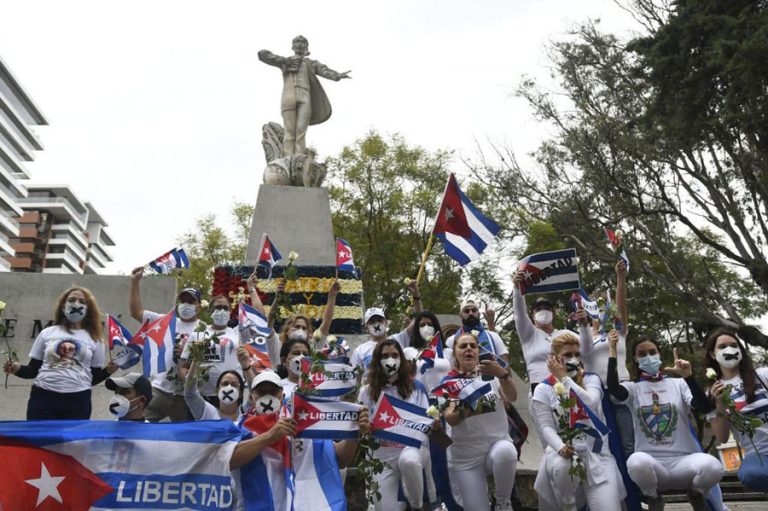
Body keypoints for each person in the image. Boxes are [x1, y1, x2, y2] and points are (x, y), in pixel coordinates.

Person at [607, 333, 725, 511]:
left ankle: (696, 493)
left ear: (660, 354)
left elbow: (704, 407)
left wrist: (688, 376)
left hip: (685, 461)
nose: (648, 357)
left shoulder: (679, 384)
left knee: (713, 467)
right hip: (653, 466)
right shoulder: (632, 389)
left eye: (652, 352)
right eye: (642, 354)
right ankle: (653, 497)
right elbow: (614, 388)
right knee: (635, 461)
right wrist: (612, 351)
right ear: (635, 359)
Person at [244, 370, 370, 510]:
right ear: (251, 398)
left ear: (282, 396)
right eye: (261, 392)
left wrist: (355, 432)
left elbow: (340, 459)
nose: (267, 397)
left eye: (273, 392)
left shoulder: (304, 423)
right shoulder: (243, 430)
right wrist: (270, 436)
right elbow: (231, 460)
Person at [532, 333, 624, 510]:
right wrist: (560, 447)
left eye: (577, 354)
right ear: (554, 357)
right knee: (564, 465)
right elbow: (546, 427)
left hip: (597, 455)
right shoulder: (543, 389)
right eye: (567, 355)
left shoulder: (591, 379)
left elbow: (590, 402)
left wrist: (565, 379)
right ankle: (569, 502)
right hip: (564, 455)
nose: (574, 359)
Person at [4, 287, 116, 419]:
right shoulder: (47, 333)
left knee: (71, 440)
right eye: (72, 300)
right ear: (63, 306)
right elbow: (33, 370)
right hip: (43, 397)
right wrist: (17, 369)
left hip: (78, 401)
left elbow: (92, 378)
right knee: (38, 438)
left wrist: (108, 371)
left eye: (82, 302)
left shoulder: (95, 339)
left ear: (88, 308)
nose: (76, 304)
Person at [443, 332, 518, 511]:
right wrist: (470, 406)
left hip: (496, 446)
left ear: (478, 351)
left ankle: (502, 502)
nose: (468, 349)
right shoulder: (449, 382)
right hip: (466, 459)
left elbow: (513, 397)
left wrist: (504, 375)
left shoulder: (491, 375)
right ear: (455, 354)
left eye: (472, 346)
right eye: (463, 346)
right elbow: (451, 418)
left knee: (507, 451)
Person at [358, 339, 432, 510]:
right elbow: (362, 427)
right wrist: (364, 429)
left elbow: (426, 423)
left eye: (394, 355)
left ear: (402, 358)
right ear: (377, 360)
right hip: (382, 458)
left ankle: (417, 506)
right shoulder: (366, 392)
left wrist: (433, 425)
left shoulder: (416, 388)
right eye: (385, 356)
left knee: (409, 461)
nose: (390, 360)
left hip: (412, 449)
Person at [129, 266, 204, 421]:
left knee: (184, 438)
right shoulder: (165, 321)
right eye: (182, 301)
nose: (186, 304)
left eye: (191, 301)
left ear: (199, 306)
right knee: (140, 424)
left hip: (186, 395)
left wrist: (188, 353)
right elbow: (136, 312)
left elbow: (209, 361)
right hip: (160, 390)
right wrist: (135, 283)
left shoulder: (204, 329)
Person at [258, 35, 351, 157]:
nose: (300, 44)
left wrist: (337, 76)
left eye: (303, 42)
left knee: (301, 132)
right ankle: (287, 158)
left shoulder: (310, 63)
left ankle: (299, 159)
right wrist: (284, 61)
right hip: (288, 97)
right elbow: (262, 54)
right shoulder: (285, 62)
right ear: (292, 46)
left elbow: (324, 70)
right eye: (297, 42)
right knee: (289, 132)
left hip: (305, 97)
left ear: (307, 47)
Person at [706, 328, 768, 491]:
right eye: (722, 346)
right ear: (713, 354)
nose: (729, 349)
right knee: (750, 474)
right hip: (759, 456)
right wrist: (719, 404)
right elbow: (722, 437)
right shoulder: (713, 392)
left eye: (734, 345)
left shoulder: (762, 375)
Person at [511, 271, 592, 390]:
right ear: (532, 316)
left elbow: (587, 350)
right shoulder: (529, 334)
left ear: (553, 314)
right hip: (540, 389)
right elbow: (519, 314)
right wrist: (517, 288)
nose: (543, 311)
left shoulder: (565, 334)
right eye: (538, 309)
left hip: (568, 387)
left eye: (547, 308)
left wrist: (584, 325)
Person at [179, 294, 250, 405]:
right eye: (218, 307)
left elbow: (261, 318)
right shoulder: (198, 333)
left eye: (225, 308)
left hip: (232, 395)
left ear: (230, 312)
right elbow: (183, 366)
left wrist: (252, 290)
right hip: (202, 396)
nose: (222, 311)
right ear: (210, 311)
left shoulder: (238, 333)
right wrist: (190, 386)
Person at [445, 299, 508, 367]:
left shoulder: (493, 336)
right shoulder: (451, 340)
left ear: (479, 314)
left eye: (474, 310)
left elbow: (505, 367)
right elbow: (449, 369)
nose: (471, 313)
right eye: (466, 311)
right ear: (460, 316)